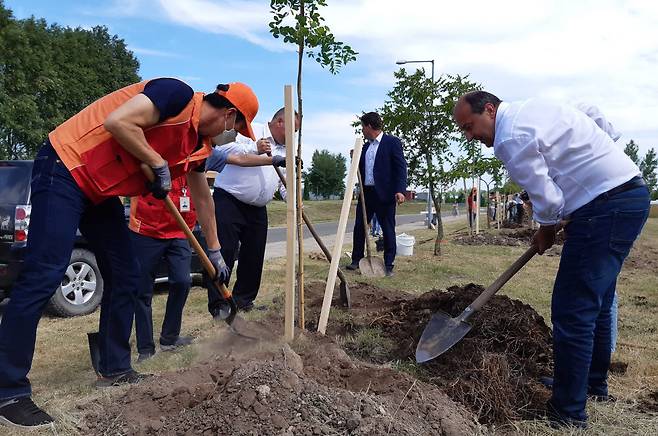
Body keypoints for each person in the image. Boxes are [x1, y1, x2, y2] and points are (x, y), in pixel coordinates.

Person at [0, 77, 259, 428]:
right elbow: (118, 122)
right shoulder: (175, 95)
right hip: (66, 165)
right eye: (238, 129)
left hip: (99, 190)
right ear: (229, 116)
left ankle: (114, 367)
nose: (233, 137)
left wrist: (214, 252)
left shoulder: (197, 146)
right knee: (44, 273)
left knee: (127, 273)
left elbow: (203, 200)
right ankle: (9, 391)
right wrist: (157, 162)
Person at [453, 90, 649, 428]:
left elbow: (546, 197)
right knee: (596, 303)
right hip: (625, 196)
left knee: (572, 309)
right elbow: (593, 112)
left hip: (604, 209)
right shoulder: (539, 108)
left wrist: (546, 228)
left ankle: (569, 412)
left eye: (470, 127)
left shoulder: (509, 137)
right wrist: (598, 168)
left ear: (489, 110)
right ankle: (590, 385)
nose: (470, 137)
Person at [129, 148, 285, 362]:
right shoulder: (157, 145)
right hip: (147, 229)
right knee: (143, 290)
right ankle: (146, 349)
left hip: (180, 230)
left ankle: (169, 337)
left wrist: (272, 160)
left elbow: (239, 158)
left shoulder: (201, 152)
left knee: (183, 282)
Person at [207, 108, 299, 318]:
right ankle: (219, 303)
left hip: (257, 208)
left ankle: (243, 299)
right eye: (292, 130)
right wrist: (255, 147)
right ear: (279, 123)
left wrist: (294, 201)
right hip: (229, 200)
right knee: (225, 252)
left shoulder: (287, 149)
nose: (293, 135)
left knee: (254, 256)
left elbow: (284, 182)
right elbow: (225, 151)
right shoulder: (251, 130)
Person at [346, 112, 408, 277]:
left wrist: (400, 190)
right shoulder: (365, 147)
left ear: (369, 126)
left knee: (387, 229)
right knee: (359, 226)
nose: (362, 131)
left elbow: (401, 167)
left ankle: (388, 264)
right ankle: (356, 259)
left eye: (363, 127)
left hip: (385, 194)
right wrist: (354, 158)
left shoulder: (392, 142)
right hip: (366, 194)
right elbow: (360, 169)